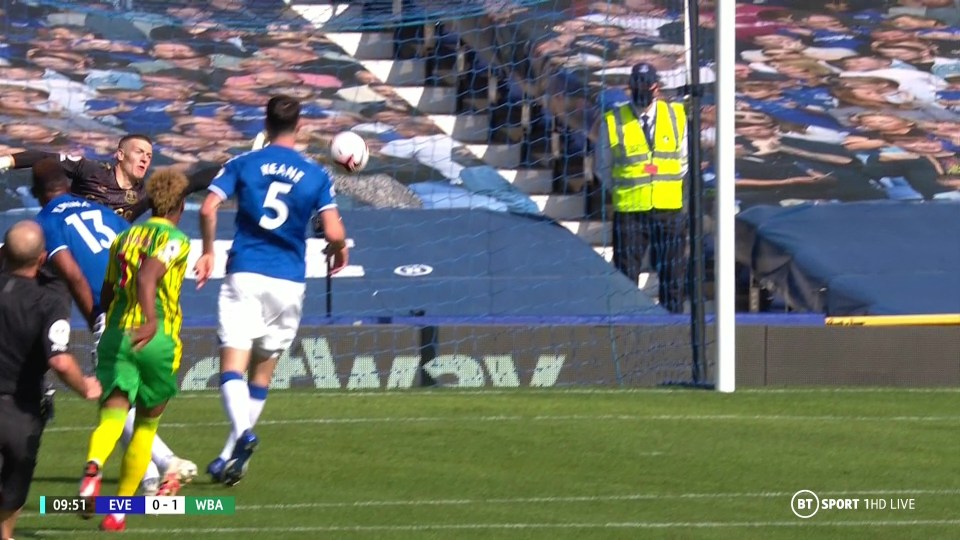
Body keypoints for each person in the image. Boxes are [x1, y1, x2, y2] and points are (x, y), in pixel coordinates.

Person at [194, 95, 348, 486]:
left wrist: (209, 252)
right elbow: (332, 232)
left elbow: (208, 208)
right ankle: (232, 460)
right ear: (299, 127)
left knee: (232, 368)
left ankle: (242, 437)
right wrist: (338, 249)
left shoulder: (243, 163)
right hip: (289, 282)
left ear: (265, 125)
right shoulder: (315, 175)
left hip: (246, 271)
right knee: (261, 374)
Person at [30, 158, 196, 498]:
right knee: (141, 412)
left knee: (115, 406)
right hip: (151, 325)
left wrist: (95, 316)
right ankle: (151, 477)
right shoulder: (107, 214)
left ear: (37, 193)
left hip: (113, 316)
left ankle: (156, 469)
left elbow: (73, 274)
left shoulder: (47, 220)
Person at [78, 169, 192, 532]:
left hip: (116, 335)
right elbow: (148, 276)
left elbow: (109, 291)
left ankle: (94, 468)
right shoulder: (176, 239)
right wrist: (150, 319)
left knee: (112, 417)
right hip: (155, 336)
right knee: (145, 425)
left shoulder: (124, 238)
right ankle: (118, 513)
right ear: (180, 205)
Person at [0, 221, 101, 540]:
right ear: (42, 257)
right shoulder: (49, 296)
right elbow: (58, 359)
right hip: (20, 408)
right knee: (14, 485)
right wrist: (85, 385)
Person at [593, 62, 689, 313]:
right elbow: (603, 167)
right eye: (636, 87)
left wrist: (661, 183)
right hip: (630, 212)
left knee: (673, 278)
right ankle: (629, 329)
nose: (641, 92)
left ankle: (673, 330)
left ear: (656, 88)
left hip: (668, 210)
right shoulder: (614, 120)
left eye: (646, 86)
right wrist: (628, 188)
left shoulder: (676, 116)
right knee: (626, 280)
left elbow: (683, 161)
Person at [0, 133, 216, 221]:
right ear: (120, 155)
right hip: (65, 240)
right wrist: (6, 161)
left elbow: (195, 181)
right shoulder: (89, 169)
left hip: (106, 258)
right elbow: (46, 157)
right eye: (139, 152)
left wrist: (236, 166)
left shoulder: (148, 189)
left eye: (149, 155)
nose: (145, 159)